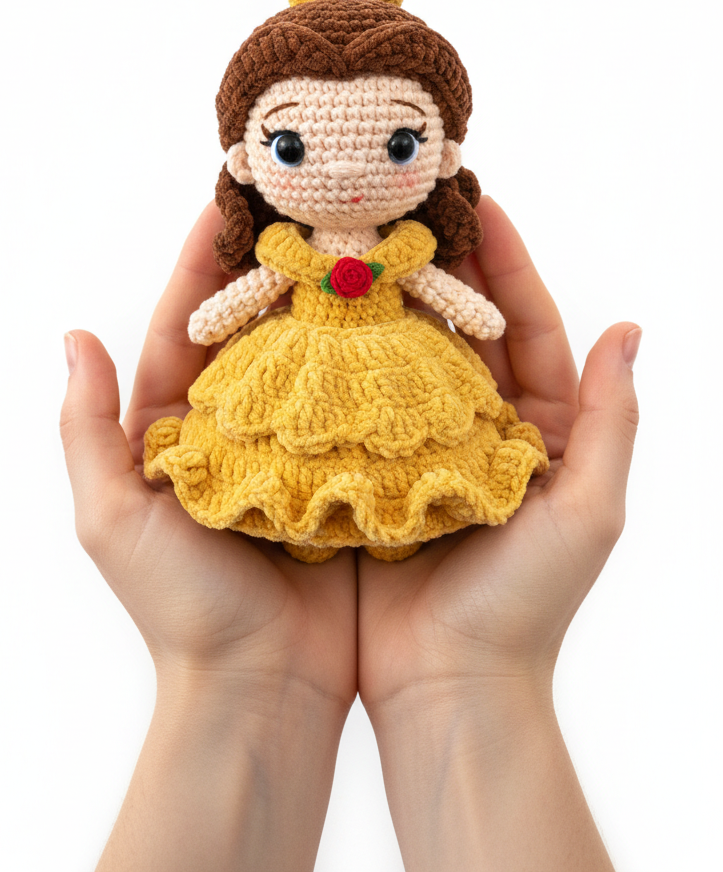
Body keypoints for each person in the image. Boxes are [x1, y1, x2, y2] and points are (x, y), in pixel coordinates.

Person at [60, 195, 640, 872]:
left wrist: (475, 674)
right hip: (292, 358)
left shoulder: (405, 254)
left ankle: (411, 508)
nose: (341, 175)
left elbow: (453, 297)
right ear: (249, 167)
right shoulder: (287, 255)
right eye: (291, 147)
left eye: (400, 145)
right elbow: (239, 299)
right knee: (274, 440)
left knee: (421, 443)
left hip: (401, 359)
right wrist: (471, 680)